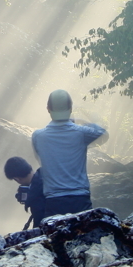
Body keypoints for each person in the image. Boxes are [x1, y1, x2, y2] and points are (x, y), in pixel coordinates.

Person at [31, 89, 107, 218]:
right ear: (70, 108)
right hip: (80, 198)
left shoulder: (38, 136)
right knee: (84, 235)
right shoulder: (82, 133)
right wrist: (81, 120)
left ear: (48, 108)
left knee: (56, 236)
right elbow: (103, 132)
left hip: (53, 200)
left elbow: (41, 161)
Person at [4, 156, 46, 229]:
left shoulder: (35, 194)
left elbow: (39, 222)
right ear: (30, 166)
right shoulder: (46, 176)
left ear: (16, 179)